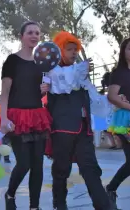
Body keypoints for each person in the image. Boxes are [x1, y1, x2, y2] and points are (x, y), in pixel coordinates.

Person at [46, 31, 117, 210]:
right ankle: (59, 205)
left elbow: (89, 95)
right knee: (61, 170)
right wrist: (80, 70)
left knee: (91, 168)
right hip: (62, 130)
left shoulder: (78, 74)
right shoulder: (52, 73)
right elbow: (64, 80)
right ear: (59, 51)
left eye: (75, 50)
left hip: (83, 130)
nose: (73, 53)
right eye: (69, 49)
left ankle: (104, 206)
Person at [0, 21, 52, 210]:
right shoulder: (12, 60)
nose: (34, 36)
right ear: (21, 36)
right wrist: (4, 119)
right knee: (24, 163)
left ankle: (34, 207)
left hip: (37, 116)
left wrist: (44, 90)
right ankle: (10, 193)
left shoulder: (42, 63)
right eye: (30, 32)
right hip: (16, 117)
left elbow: (40, 94)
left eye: (37, 33)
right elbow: (5, 92)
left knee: (38, 165)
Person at [105, 38, 130, 208]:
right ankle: (111, 188)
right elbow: (112, 96)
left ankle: (111, 188)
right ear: (123, 51)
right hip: (125, 119)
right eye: (129, 48)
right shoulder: (119, 72)